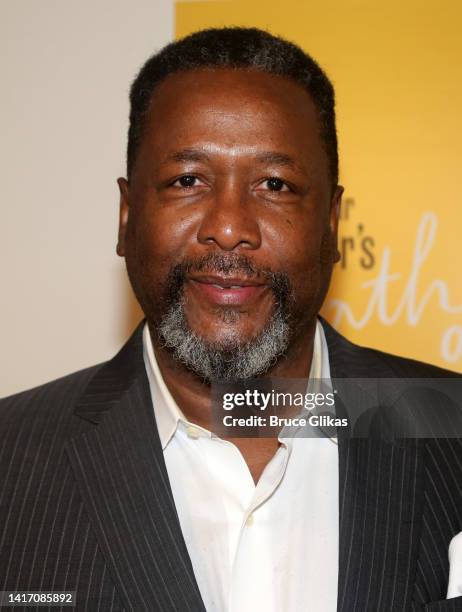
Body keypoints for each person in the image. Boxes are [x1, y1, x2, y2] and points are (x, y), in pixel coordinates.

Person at [1, 27, 462, 612]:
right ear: (125, 217)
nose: (228, 225)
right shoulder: (10, 460)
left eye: (275, 185)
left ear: (332, 224)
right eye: (187, 181)